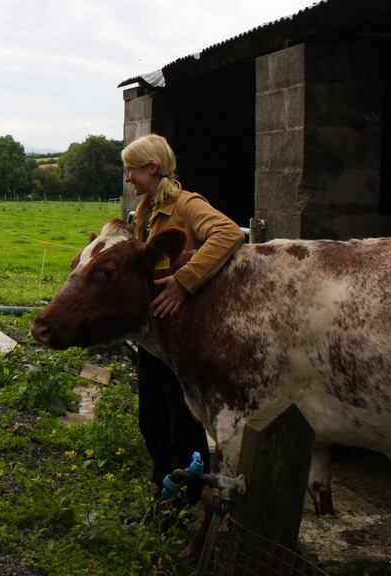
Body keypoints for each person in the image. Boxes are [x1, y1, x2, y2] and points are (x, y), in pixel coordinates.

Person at [123, 134, 244, 496]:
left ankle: (189, 495)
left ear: (152, 167)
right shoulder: (145, 209)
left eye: (132, 170)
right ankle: (163, 487)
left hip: (180, 331)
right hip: (153, 328)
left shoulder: (187, 205)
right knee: (152, 417)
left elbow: (228, 233)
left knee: (182, 419)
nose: (128, 178)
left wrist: (183, 281)